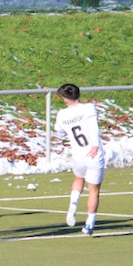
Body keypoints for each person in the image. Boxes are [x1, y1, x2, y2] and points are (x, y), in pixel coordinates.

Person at [53, 83, 106, 235]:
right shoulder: (89, 108)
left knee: (78, 179)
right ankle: (89, 224)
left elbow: (60, 134)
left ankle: (74, 202)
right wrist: (95, 145)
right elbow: (94, 128)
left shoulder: (62, 114)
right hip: (94, 154)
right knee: (94, 191)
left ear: (65, 99)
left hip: (78, 155)